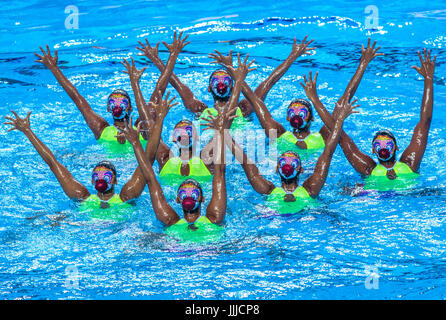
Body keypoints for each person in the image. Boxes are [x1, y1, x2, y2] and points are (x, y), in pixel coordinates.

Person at [120, 56, 252, 243]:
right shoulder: (213, 217)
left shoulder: (170, 219)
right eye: (180, 131)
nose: (184, 134)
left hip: (176, 246)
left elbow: (151, 179)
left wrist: (237, 83)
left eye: (188, 130)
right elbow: (148, 128)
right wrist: (136, 87)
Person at [210, 38, 382, 155]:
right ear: (287, 117)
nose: (297, 115)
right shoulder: (281, 134)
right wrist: (234, 74)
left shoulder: (321, 135)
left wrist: (363, 64)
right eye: (293, 112)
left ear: (312, 118)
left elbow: (344, 100)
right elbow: (256, 99)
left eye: (301, 112)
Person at [300, 48, 436, 191]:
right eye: (379, 145)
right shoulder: (367, 168)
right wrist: (314, 100)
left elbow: (425, 122)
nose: (383, 147)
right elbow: (340, 137)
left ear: (396, 147)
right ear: (373, 150)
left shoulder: (410, 162)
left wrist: (429, 79)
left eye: (387, 144)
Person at [33, 32, 186, 155]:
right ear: (108, 108)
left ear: (131, 108)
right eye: (114, 102)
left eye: (122, 102)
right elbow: (77, 99)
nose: (117, 105)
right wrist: (54, 68)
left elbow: (157, 93)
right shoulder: (104, 128)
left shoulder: (141, 128)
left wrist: (172, 57)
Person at [3, 108, 169, 220]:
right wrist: (28, 132)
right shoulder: (82, 196)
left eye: (106, 175)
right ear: (91, 181)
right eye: (97, 175)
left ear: (115, 181)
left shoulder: (126, 197)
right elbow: (53, 163)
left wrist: (154, 126)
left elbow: (148, 161)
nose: (101, 178)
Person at [136, 35, 315, 129]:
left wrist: (158, 60)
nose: (221, 84)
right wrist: (293, 56)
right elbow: (268, 83)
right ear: (234, 86)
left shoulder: (200, 110)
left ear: (208, 89)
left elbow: (175, 82)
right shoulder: (245, 108)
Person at [224, 96, 360, 214]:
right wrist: (340, 120)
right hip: (309, 216)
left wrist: (223, 132)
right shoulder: (311, 189)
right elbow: (328, 152)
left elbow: (245, 162)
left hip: (271, 217)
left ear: (277, 169)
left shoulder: (267, 190)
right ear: (301, 170)